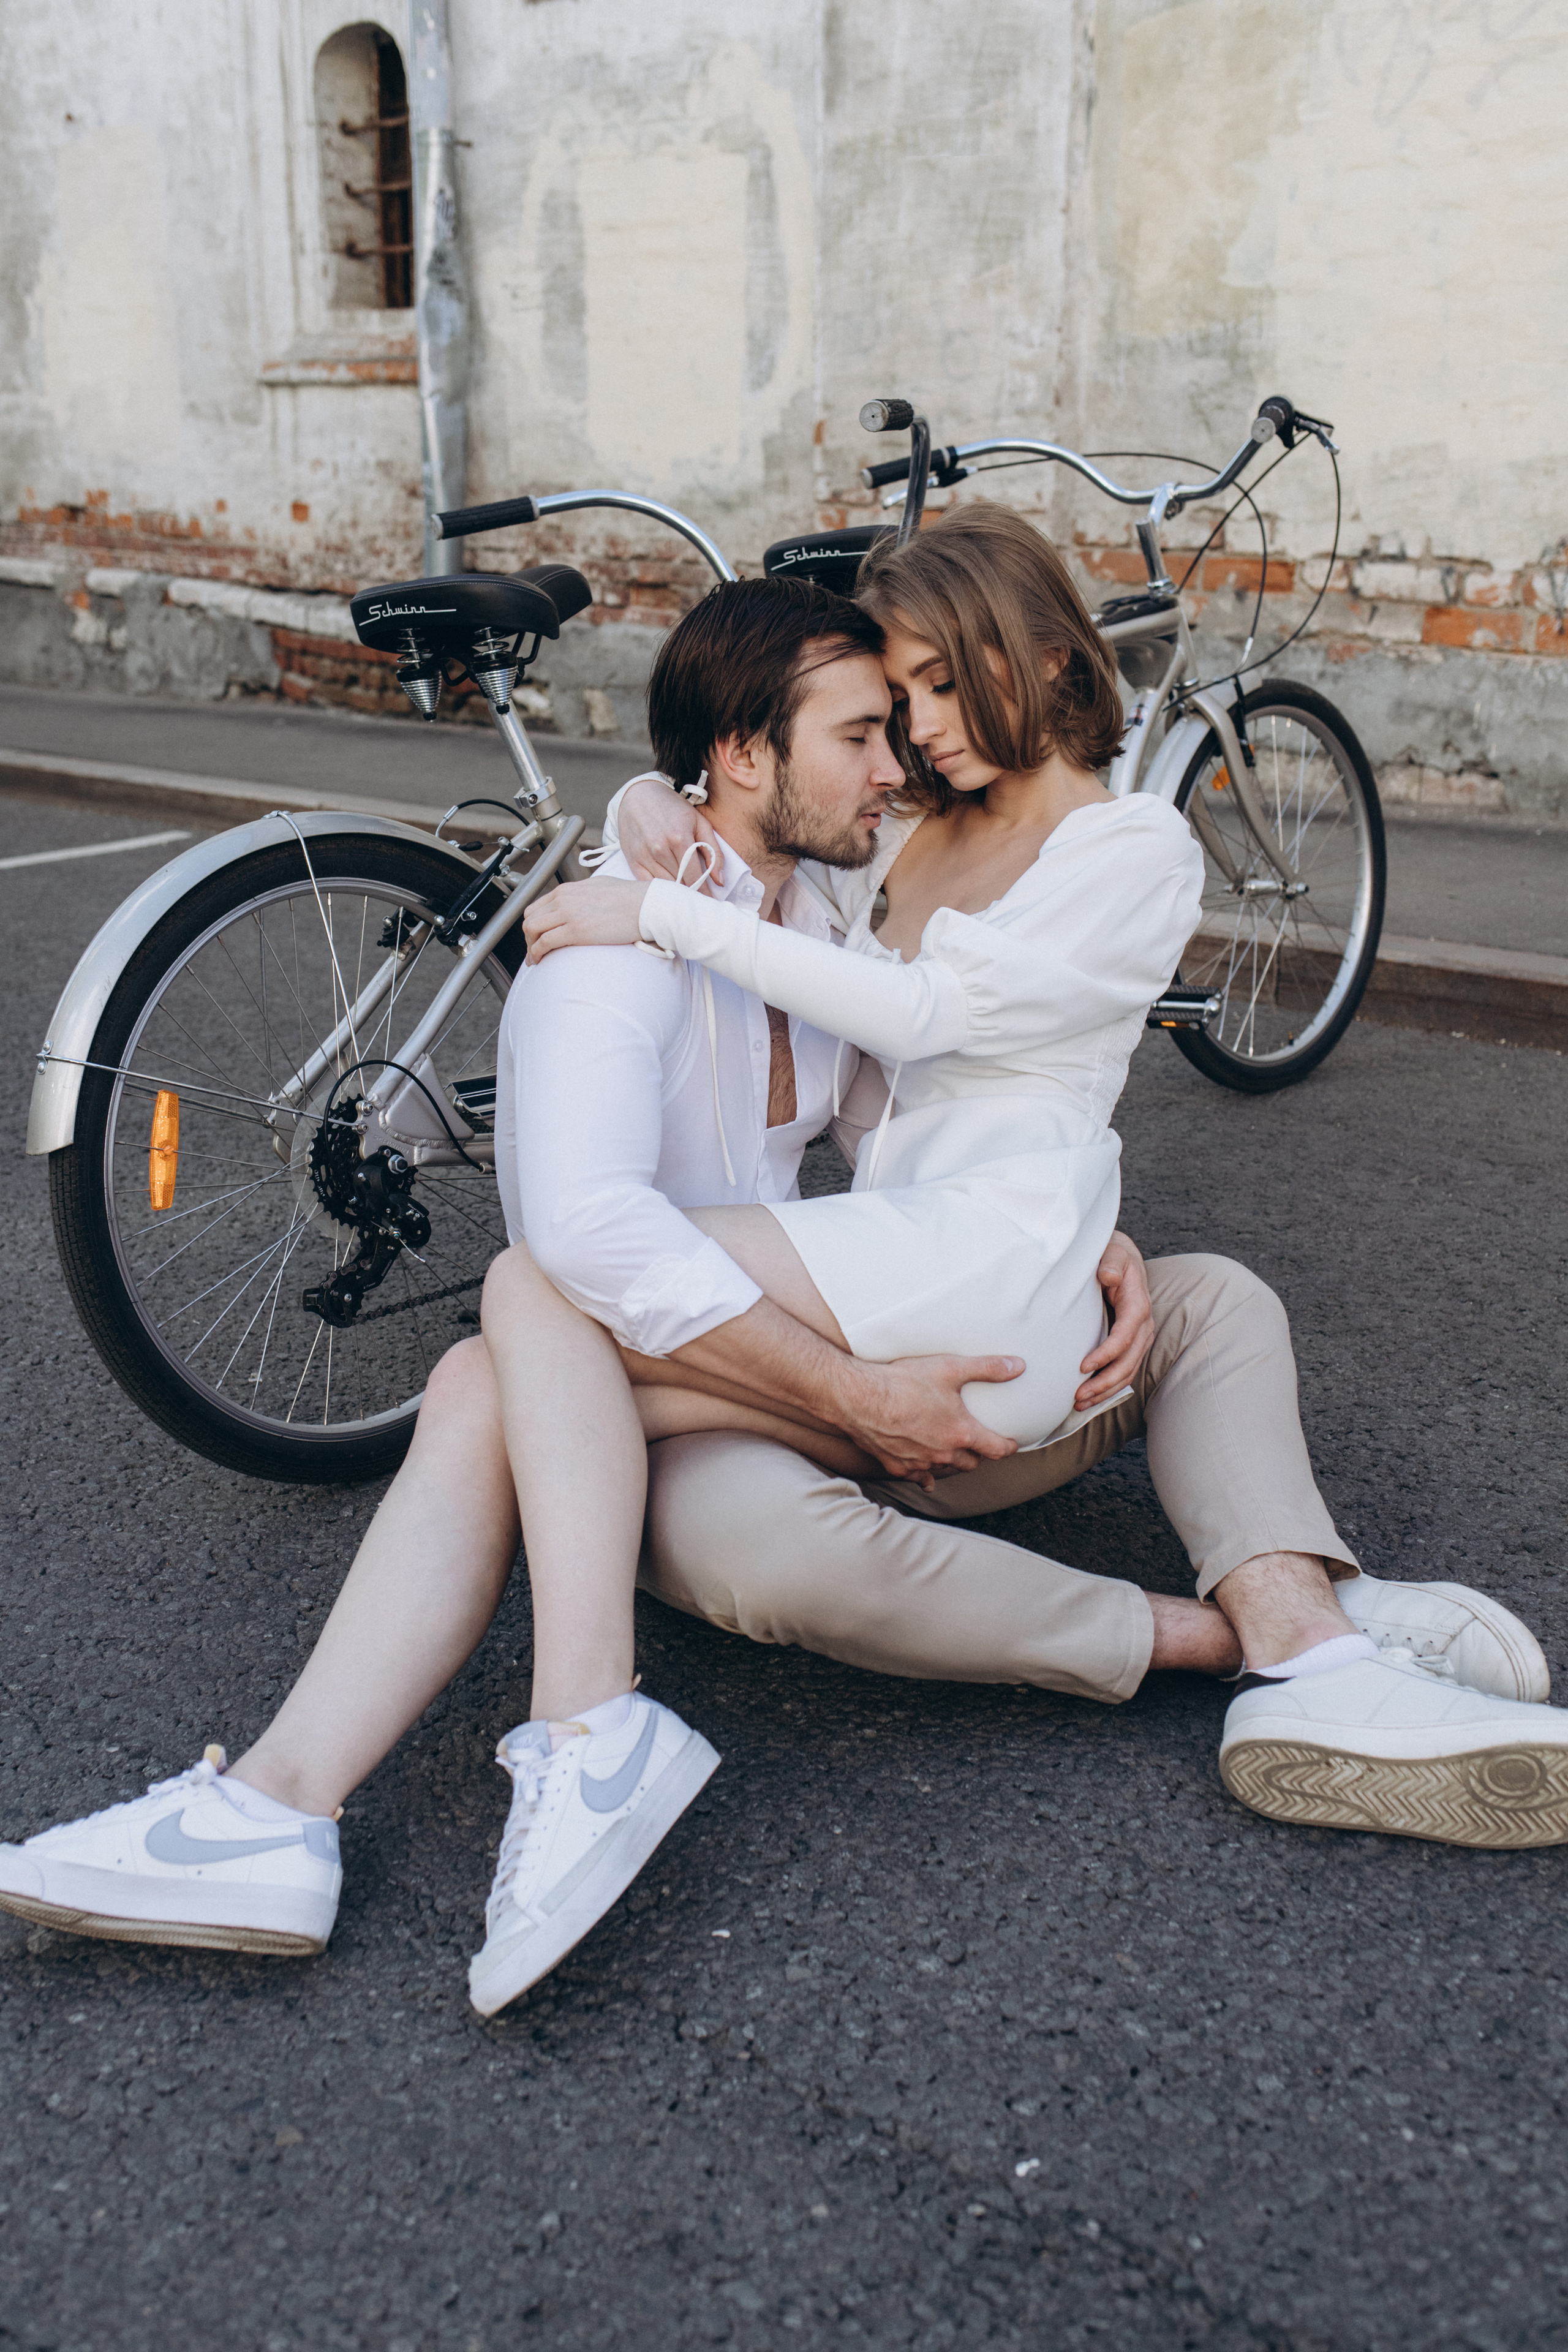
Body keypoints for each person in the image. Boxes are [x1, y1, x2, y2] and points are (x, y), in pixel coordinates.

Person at [1, 538, 1560, 2003]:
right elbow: (759, 1123)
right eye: (872, 724)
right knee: (582, 1396)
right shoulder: (659, 937)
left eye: (924, 705)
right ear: (747, 756)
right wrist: (652, 856)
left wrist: (1079, 1226)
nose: (901, 758)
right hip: (747, 1367)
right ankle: (1251, 1636)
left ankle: (402, 1775)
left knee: (525, 1312)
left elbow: (933, 1067)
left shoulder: (848, 899)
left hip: (783, 1339)